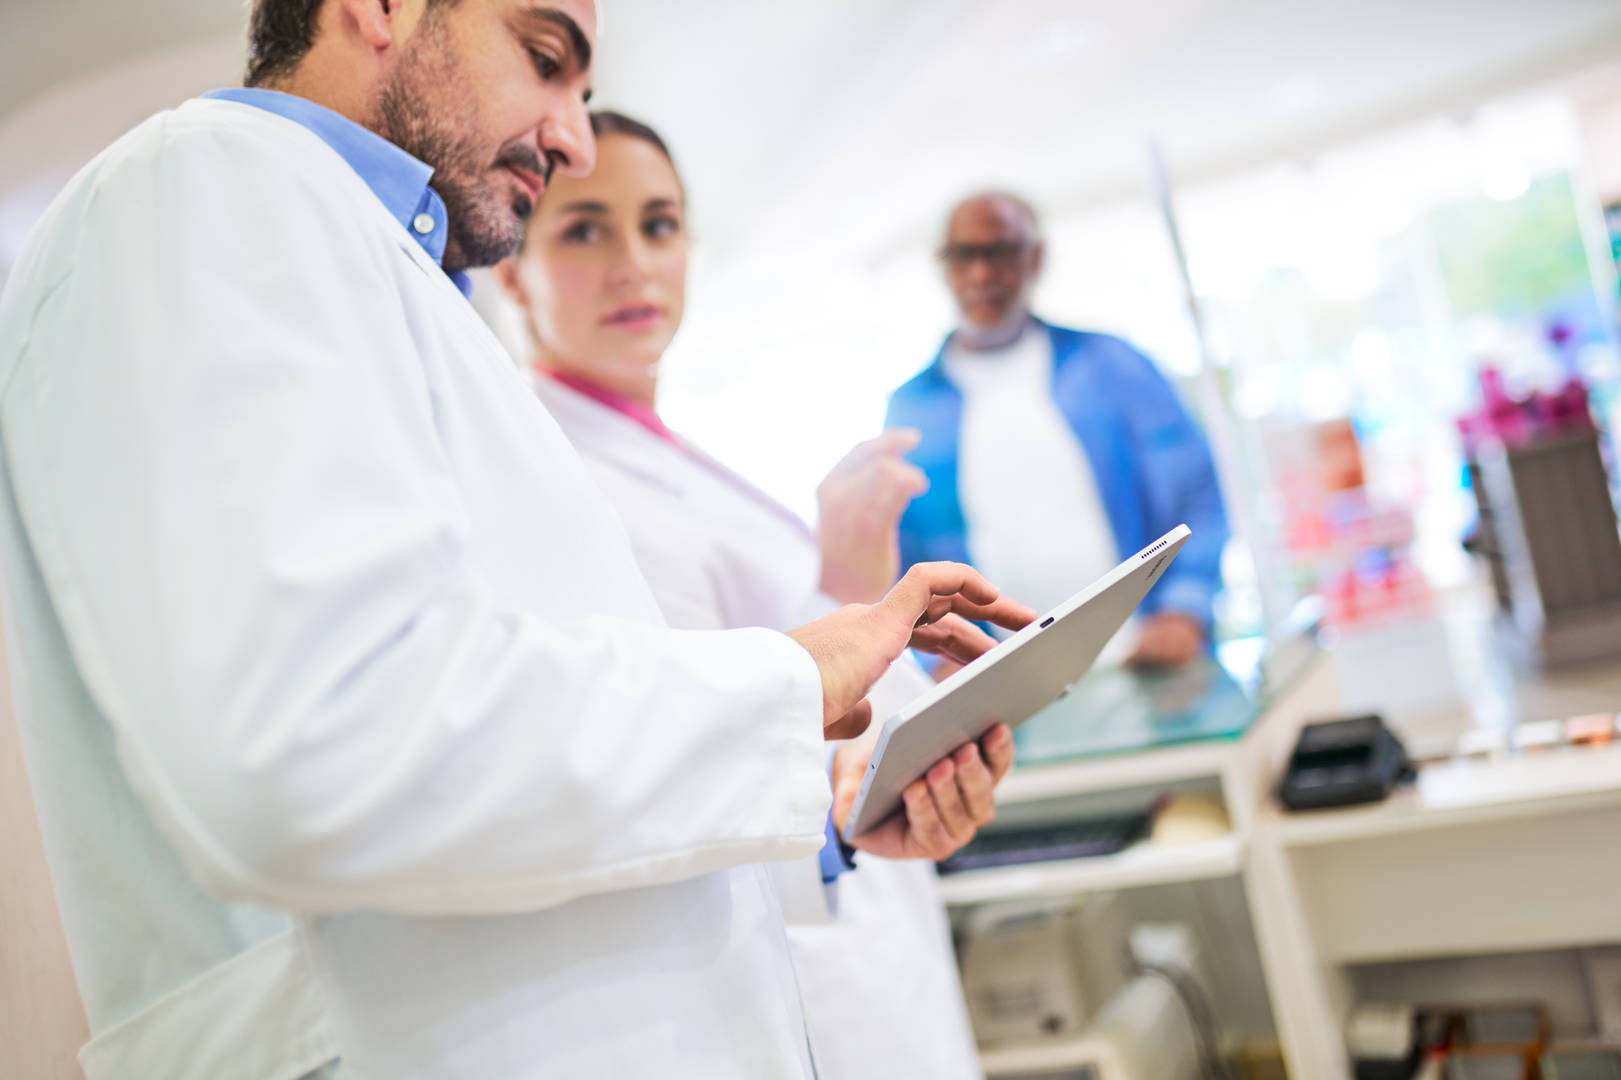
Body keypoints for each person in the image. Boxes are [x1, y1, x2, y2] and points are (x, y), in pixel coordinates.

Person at [0, 3, 1032, 1078]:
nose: (575, 137)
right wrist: (791, 678)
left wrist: (823, 824)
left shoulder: (397, 288)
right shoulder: (207, 187)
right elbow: (325, 738)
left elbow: (512, 773)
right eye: (545, 61)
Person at [495, 109, 993, 1080]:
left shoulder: (665, 454)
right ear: (511, 269)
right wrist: (846, 583)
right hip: (788, 968)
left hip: (865, 930)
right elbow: (671, 750)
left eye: (660, 224)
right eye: (584, 229)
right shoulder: (560, 482)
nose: (634, 262)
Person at [887, 191, 1229, 666]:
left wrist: (1184, 609)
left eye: (1001, 251)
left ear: (1036, 258)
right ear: (944, 267)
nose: (982, 273)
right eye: (964, 255)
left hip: (1146, 661)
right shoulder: (912, 409)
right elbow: (897, 560)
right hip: (1002, 687)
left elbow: (1199, 492)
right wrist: (936, 656)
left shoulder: (1112, 366)